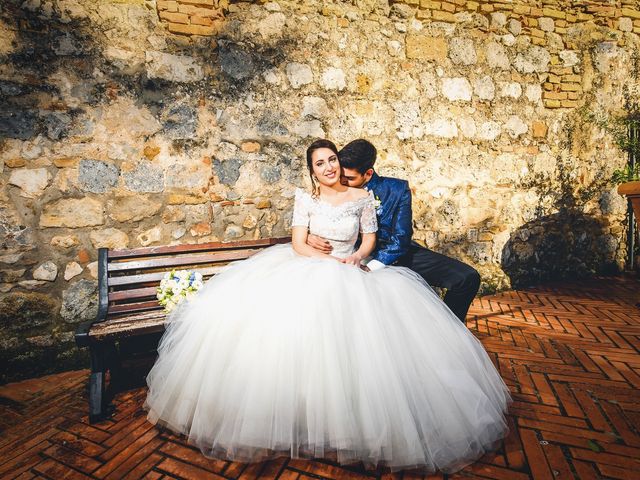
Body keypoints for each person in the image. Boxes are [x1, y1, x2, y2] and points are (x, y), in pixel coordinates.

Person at [143, 139, 511, 473]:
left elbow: (370, 240)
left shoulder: (364, 197)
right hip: (307, 268)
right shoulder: (306, 200)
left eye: (332, 160)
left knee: (358, 350)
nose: (329, 167)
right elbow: (298, 242)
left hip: (351, 267)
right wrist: (313, 250)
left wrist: (356, 259)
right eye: (320, 163)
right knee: (289, 342)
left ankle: (348, 422)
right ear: (312, 170)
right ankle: (296, 416)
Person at [307, 139, 480, 322]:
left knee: (468, 278)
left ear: (368, 173)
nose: (343, 182)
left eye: (349, 178)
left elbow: (401, 237)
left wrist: (371, 266)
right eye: (341, 175)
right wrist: (310, 235)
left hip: (394, 252)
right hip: (353, 254)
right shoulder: (333, 185)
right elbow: (320, 215)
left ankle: (449, 330)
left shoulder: (397, 190)